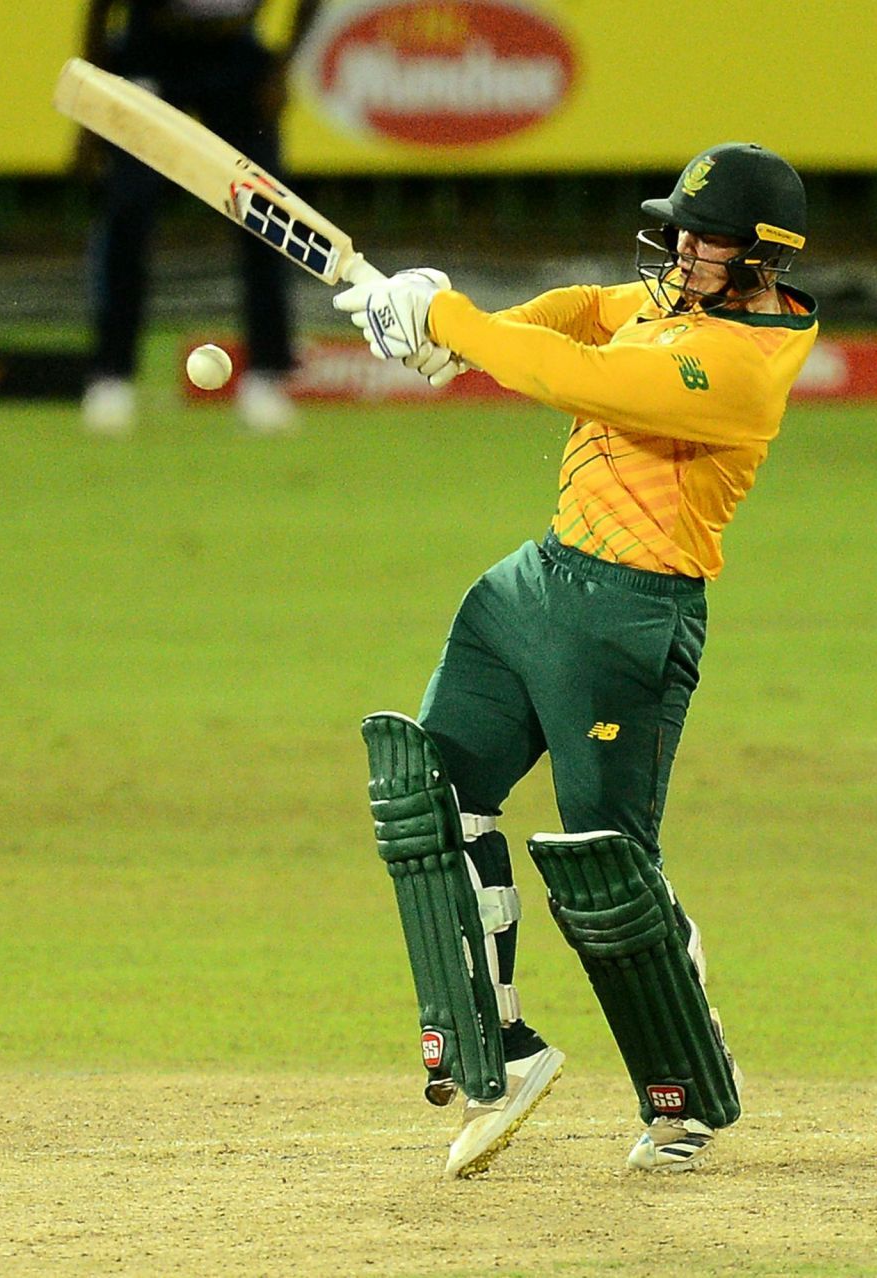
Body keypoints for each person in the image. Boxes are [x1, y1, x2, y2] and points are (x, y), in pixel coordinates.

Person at [338, 143, 818, 1177]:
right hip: (533, 587)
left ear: (763, 256)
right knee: (431, 796)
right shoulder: (668, 301)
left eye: (709, 236)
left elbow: (580, 378)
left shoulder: (739, 365)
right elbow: (581, 312)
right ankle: (500, 1050)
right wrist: (464, 334)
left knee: (606, 870)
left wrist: (448, 321)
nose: (684, 246)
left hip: (630, 620)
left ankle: (681, 1088)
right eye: (680, 226)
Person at [77, 0, 321, 436]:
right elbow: (100, 7)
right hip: (150, 49)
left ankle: (266, 376)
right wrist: (93, 103)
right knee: (129, 208)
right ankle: (111, 375)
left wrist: (283, 69)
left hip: (234, 54)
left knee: (265, 217)